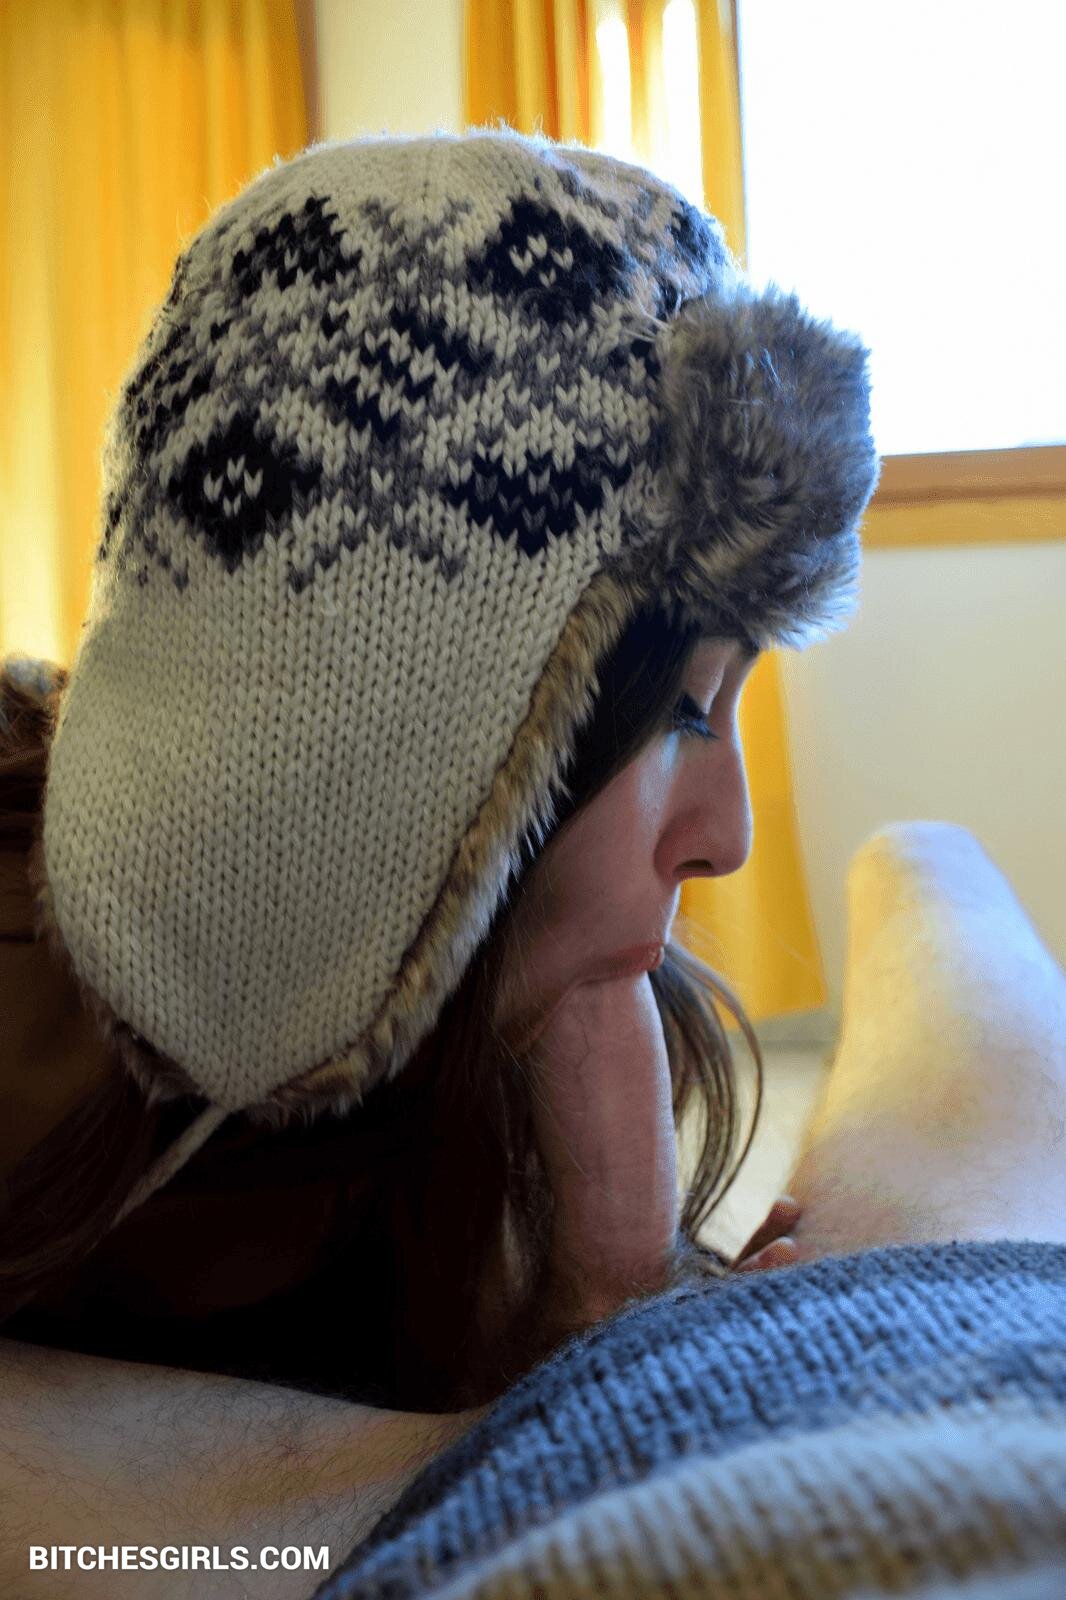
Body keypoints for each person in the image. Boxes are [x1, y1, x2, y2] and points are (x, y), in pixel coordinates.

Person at [5, 126, 1062, 1595]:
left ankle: (917, 861)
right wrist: (602, 1367)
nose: (731, 837)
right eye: (681, 713)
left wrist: (609, 1295)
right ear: (419, 737)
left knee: (930, 874)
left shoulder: (563, 1025)